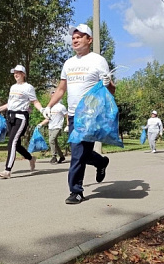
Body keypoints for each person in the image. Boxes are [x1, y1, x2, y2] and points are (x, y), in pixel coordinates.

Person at [41, 24, 115, 204]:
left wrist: (107, 83)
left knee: (77, 151)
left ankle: (76, 191)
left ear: (89, 40)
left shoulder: (98, 60)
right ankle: (100, 162)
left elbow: (111, 91)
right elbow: (61, 89)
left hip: (91, 114)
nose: (75, 40)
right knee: (82, 151)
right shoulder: (69, 63)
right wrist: (49, 105)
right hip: (74, 114)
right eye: (73, 37)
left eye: (80, 36)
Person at [0, 64, 44, 179]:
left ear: (23, 74)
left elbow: (35, 101)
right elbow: (10, 103)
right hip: (10, 117)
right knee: (17, 144)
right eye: (14, 73)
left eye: (18, 72)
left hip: (21, 118)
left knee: (12, 142)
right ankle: (31, 158)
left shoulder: (28, 87)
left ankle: (7, 170)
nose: (16, 74)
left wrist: (42, 110)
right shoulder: (13, 87)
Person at [38, 91, 68, 164]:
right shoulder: (50, 107)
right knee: (54, 142)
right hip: (50, 127)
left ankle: (53, 157)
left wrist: (68, 125)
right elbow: (48, 118)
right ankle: (61, 156)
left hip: (58, 126)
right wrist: (40, 124)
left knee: (51, 140)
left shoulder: (61, 107)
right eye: (51, 96)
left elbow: (67, 116)